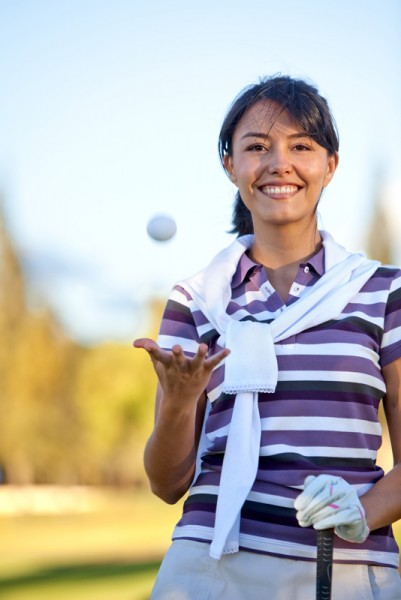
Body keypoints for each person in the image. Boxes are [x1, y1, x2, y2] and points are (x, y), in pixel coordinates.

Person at [134, 75, 401, 599]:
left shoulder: (384, 292)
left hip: (342, 567)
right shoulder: (195, 300)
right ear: (231, 165)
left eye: (301, 146)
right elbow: (166, 485)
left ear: (330, 165)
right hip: (208, 569)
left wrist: (358, 512)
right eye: (256, 146)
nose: (280, 162)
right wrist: (179, 406)